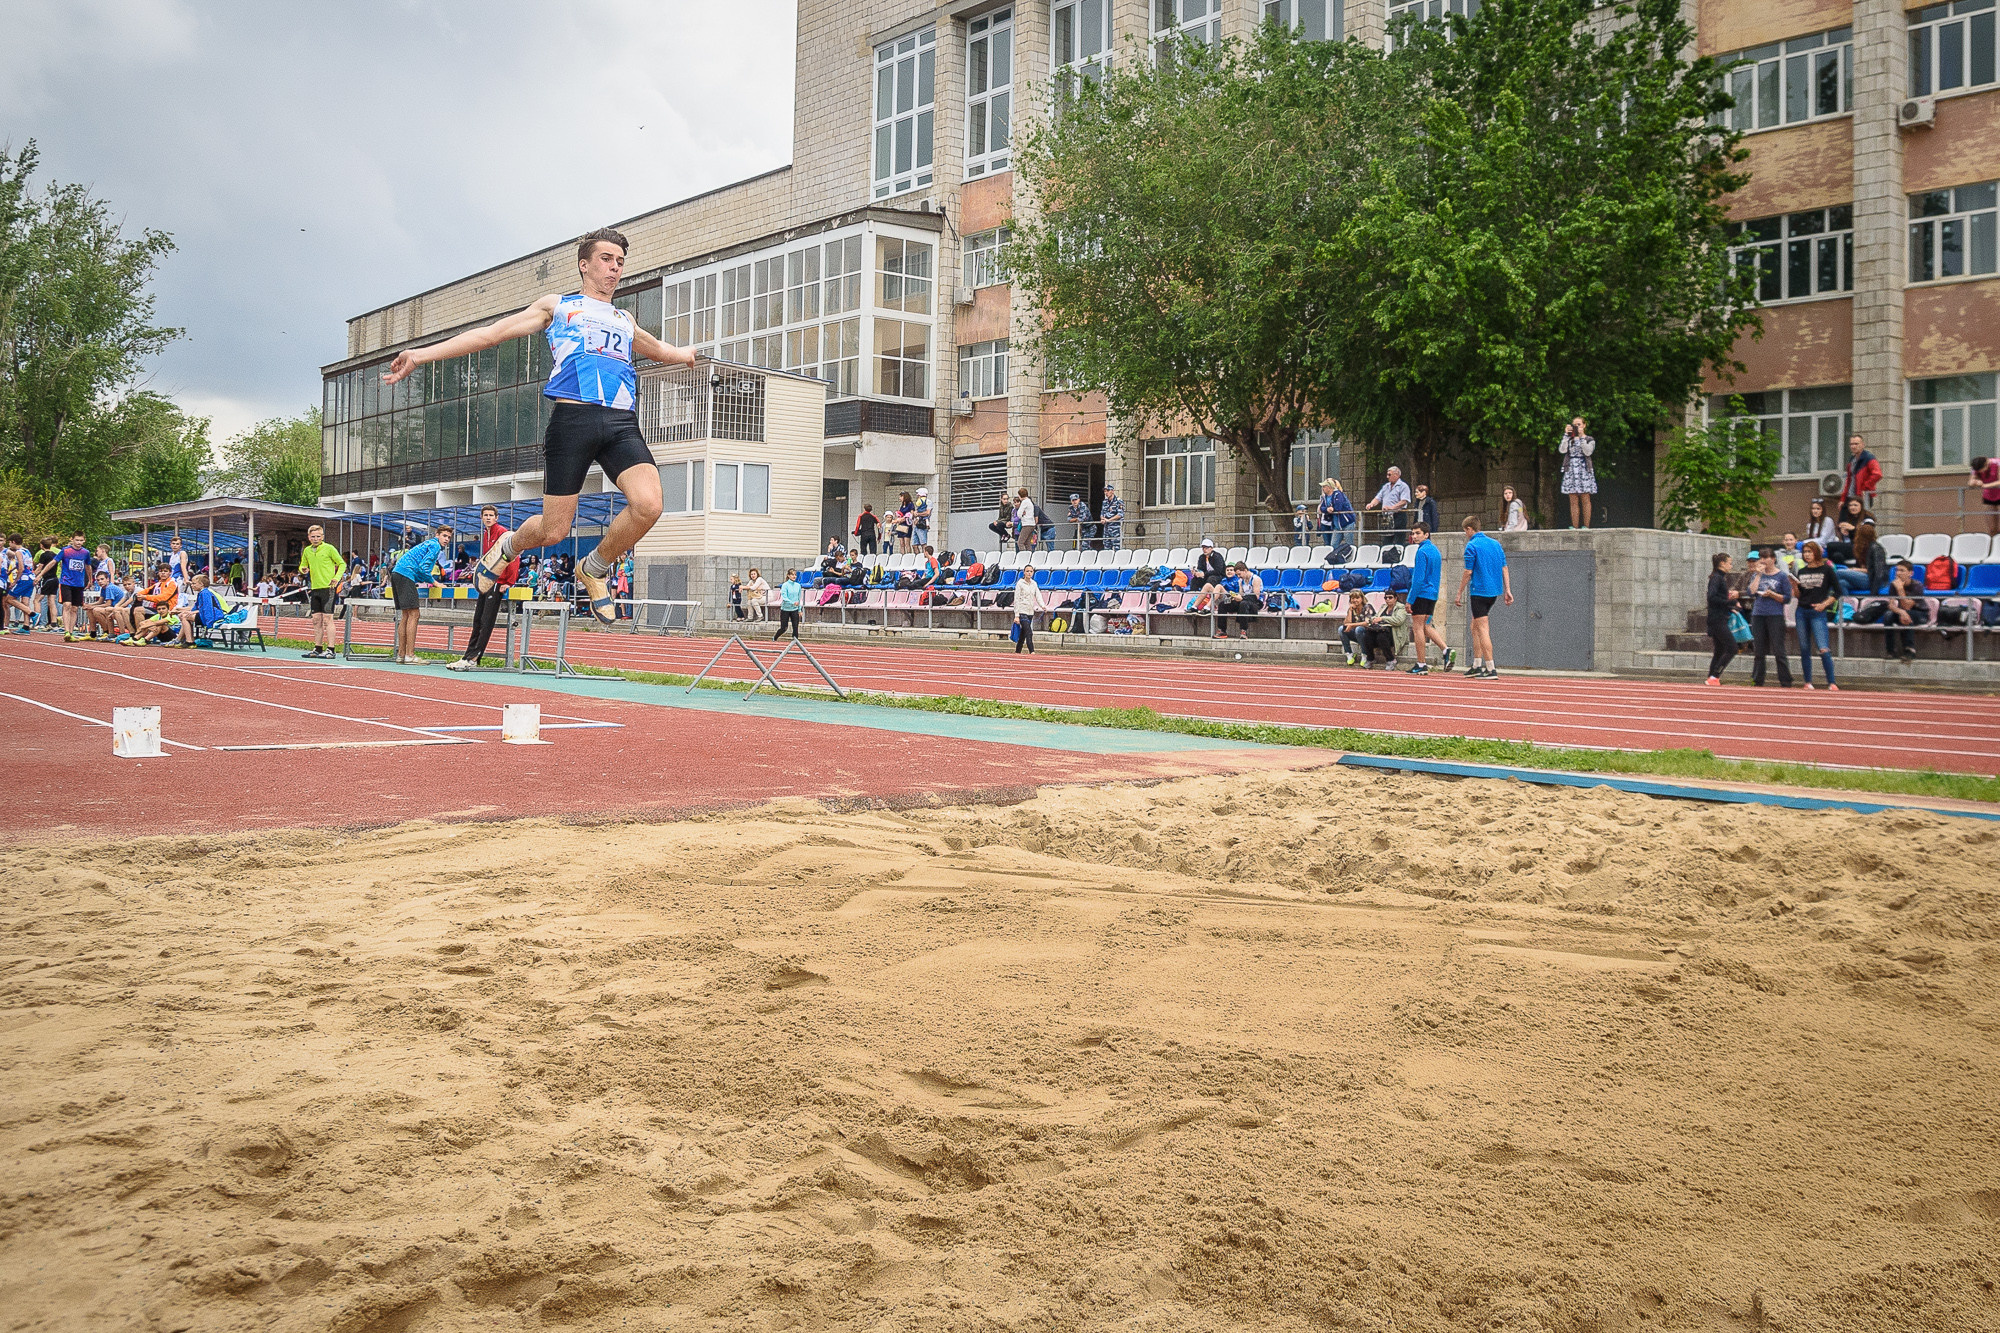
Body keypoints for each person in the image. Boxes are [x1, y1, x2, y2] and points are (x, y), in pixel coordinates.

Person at [385, 228, 697, 626]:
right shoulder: (559, 306)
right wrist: (421, 355)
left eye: (620, 261)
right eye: (606, 259)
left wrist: (682, 354)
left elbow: (654, 347)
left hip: (621, 423)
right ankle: (507, 544)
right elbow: (491, 335)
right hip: (572, 422)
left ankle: (595, 567)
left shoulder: (623, 318)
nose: (614, 267)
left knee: (649, 505)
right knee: (553, 530)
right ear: (584, 264)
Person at [448, 507, 519, 672]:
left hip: (498, 582)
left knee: (486, 620)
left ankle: (474, 657)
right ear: (481, 518)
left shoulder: (503, 533)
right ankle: (468, 655)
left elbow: (513, 556)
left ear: (496, 517)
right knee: (478, 619)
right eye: (485, 515)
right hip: (487, 581)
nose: (488, 518)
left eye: (491, 515)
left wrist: (509, 581)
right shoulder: (486, 535)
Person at [1454, 515, 1512, 680]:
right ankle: (1476, 665)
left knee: (1483, 629)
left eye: (1465, 531)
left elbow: (1468, 572)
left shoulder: (1472, 545)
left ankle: (1491, 667)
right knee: (1475, 626)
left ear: (1469, 529)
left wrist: (1459, 593)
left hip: (1479, 592)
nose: (1465, 534)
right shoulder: (1495, 544)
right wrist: (1508, 589)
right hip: (1494, 591)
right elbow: (1504, 567)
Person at [388, 525, 452, 665]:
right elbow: (423, 568)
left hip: (397, 573)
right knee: (414, 615)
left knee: (406, 615)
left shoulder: (427, 544)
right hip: (406, 574)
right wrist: (435, 583)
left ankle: (402, 655)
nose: (447, 539)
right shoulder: (434, 546)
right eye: (444, 536)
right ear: (437, 535)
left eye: (449, 537)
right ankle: (410, 655)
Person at [1404, 522, 1454, 674]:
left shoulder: (1422, 552)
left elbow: (1418, 579)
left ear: (1426, 534)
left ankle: (1421, 664)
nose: (1414, 536)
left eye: (1418, 533)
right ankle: (1445, 650)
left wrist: (1410, 599)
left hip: (1422, 593)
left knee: (1417, 628)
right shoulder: (1435, 551)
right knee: (1426, 626)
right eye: (1413, 533)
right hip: (1432, 593)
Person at [1791, 540, 1840, 691]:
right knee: (1804, 647)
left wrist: (1824, 604)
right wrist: (1793, 585)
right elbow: (1799, 595)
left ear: (1816, 553)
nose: (1807, 555)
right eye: (1805, 552)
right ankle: (1808, 681)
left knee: (1823, 647)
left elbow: (1838, 592)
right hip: (1802, 611)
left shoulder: (1827, 569)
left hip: (1818, 612)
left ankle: (1831, 682)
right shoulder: (1802, 571)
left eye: (1809, 552)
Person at [297, 523, 348, 660]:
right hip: (315, 588)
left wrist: (337, 578)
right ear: (309, 537)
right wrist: (303, 569)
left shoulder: (329, 548)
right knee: (316, 619)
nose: (316, 539)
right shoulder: (307, 550)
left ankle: (331, 649)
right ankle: (318, 647)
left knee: (328, 619)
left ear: (322, 537)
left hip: (328, 588)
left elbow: (342, 564)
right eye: (313, 536)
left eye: (318, 536)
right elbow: (303, 565)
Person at [1746, 552, 1794, 687]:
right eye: (1761, 558)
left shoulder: (1781, 576)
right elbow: (1751, 592)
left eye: (1765, 558)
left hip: (1775, 615)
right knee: (1759, 650)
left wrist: (1773, 595)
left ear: (1773, 559)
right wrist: (1759, 575)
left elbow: (1787, 598)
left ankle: (1785, 680)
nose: (1763, 561)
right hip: (1758, 614)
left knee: (1779, 650)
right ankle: (1757, 679)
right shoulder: (1757, 575)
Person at [1704, 552, 1739, 685]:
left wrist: (1731, 607)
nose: (1731, 565)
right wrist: (1730, 602)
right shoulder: (1717, 578)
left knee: (1719, 650)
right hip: (1717, 619)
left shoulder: (1719, 578)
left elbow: (1717, 598)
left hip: (1718, 617)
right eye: (1729, 562)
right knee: (1732, 648)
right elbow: (1712, 597)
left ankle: (1711, 677)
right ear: (1722, 563)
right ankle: (1715, 675)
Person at [1882, 561, 1925, 661]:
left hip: (1920, 614)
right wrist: (1901, 612)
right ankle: (1890, 651)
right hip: (1904, 613)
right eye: (1897, 570)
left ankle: (1910, 650)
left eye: (1902, 570)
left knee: (1907, 616)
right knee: (1888, 615)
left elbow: (1907, 606)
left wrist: (1900, 589)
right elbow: (1891, 605)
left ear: (1910, 573)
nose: (1898, 573)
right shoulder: (1893, 585)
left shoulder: (1917, 586)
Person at [1360, 588, 1413, 668]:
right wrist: (1372, 620)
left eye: (1390, 597)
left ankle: (1390, 659)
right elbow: (1377, 616)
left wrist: (1383, 618)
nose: (1388, 600)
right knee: (1367, 634)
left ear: (1395, 598)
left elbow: (1398, 620)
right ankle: (1370, 658)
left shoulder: (1401, 607)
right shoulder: (1383, 607)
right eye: (1386, 598)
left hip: (1395, 634)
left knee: (1382, 636)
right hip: (1381, 630)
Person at [1560, 417, 1596, 528]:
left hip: (1584, 469)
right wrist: (1566, 435)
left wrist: (1580, 437)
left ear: (1584, 425)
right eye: (1574, 425)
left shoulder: (1589, 439)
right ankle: (1574, 526)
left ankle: (1586, 526)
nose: (1577, 427)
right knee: (1573, 499)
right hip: (1571, 469)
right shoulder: (1569, 439)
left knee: (1585, 497)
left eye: (1579, 424)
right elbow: (1562, 450)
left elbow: (1588, 451)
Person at [55, 531, 91, 642]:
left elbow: (88, 566)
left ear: (84, 540)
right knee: (67, 605)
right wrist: (41, 573)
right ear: (72, 539)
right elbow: (54, 562)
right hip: (66, 582)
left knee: (75, 608)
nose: (79, 542)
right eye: (77, 540)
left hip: (79, 584)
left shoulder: (85, 553)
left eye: (81, 540)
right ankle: (66, 631)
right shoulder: (65, 551)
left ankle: (70, 632)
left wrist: (90, 579)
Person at [1363, 467, 1411, 543]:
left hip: (1398, 515)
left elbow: (1404, 501)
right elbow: (1378, 498)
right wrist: (1371, 504)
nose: (1387, 477)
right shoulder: (1386, 486)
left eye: (1389, 475)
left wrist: (1392, 508)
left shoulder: (1403, 486)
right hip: (1387, 516)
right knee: (1386, 539)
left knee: (1398, 539)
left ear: (1396, 475)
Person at [1218, 561, 1263, 639]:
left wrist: (1242, 598)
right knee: (1223, 604)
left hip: (1255, 602)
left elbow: (1256, 596)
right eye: (1237, 575)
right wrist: (1235, 597)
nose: (1238, 576)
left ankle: (1243, 630)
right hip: (1244, 599)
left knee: (1243, 604)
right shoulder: (1240, 581)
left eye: (1239, 574)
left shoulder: (1255, 579)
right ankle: (1222, 630)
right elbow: (1241, 593)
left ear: (1245, 570)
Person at [3, 536, 35, 633]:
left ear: (13, 542)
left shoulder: (18, 552)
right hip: (31, 578)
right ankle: (26, 626)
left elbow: (21, 567)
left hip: (24, 579)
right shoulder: (27, 551)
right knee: (25, 601)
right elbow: (29, 564)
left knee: (9, 599)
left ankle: (32, 613)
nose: (9, 545)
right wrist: (12, 570)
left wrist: (15, 581)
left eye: (10, 542)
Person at [1842, 434, 1882, 510]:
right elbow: (1849, 480)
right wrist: (1843, 498)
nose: (1853, 446)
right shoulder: (1852, 460)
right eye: (1851, 444)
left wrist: (1865, 487)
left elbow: (1877, 474)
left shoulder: (1868, 457)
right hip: (1851, 496)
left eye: (1856, 444)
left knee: (1862, 518)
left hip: (1862, 495)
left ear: (1863, 445)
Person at [1012, 562, 1043, 653]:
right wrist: (1016, 615)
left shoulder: (1034, 583)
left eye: (1031, 571)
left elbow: (1038, 595)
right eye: (1027, 571)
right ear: (1024, 572)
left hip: (1030, 612)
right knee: (1029, 632)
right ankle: (1032, 651)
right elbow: (1016, 599)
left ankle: (1017, 651)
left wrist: (1043, 606)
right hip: (1022, 611)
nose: (1029, 573)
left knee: (1023, 634)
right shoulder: (1020, 584)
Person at [1339, 590, 1373, 666]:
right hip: (1356, 634)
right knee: (1341, 629)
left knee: (1359, 629)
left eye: (1357, 598)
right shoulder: (1352, 608)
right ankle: (1349, 653)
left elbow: (1367, 623)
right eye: (1352, 598)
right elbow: (1346, 623)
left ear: (1362, 598)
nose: (1355, 600)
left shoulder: (1367, 607)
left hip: (1368, 634)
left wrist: (1352, 625)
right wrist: (1350, 611)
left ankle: (1365, 654)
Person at [1971, 455, 2000, 536]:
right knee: (1992, 528)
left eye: (1981, 470)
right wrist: (1976, 482)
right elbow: (1970, 481)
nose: (1981, 472)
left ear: (1986, 464)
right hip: (1990, 496)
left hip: (1997, 491)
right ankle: (1994, 542)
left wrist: (1985, 485)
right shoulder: (1976, 467)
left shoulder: (1997, 463)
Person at [775, 569, 803, 640]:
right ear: (788, 575)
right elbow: (784, 597)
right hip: (785, 609)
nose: (794, 576)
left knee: (795, 627)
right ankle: (775, 638)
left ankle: (795, 641)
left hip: (795, 609)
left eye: (795, 575)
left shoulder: (798, 585)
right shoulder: (785, 585)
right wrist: (792, 602)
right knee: (784, 628)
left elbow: (799, 598)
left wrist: (799, 609)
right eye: (792, 575)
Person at [1099, 485, 1124, 551]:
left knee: (1117, 548)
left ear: (1112, 491)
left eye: (1108, 491)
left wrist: (1108, 520)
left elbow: (1120, 514)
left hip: (1116, 529)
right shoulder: (1105, 502)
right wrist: (1102, 519)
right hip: (1107, 529)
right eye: (1105, 491)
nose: (1106, 493)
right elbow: (1102, 513)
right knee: (1107, 548)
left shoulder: (1118, 501)